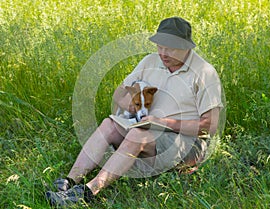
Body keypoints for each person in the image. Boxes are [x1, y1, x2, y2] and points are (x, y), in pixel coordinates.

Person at [45, 16, 223, 207]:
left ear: (186, 46)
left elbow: (210, 126)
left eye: (170, 48)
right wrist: (127, 104)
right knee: (109, 124)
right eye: (160, 46)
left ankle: (87, 193)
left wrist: (164, 123)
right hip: (149, 130)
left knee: (138, 134)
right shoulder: (150, 61)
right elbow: (119, 92)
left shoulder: (205, 72)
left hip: (186, 143)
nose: (163, 53)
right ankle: (69, 181)